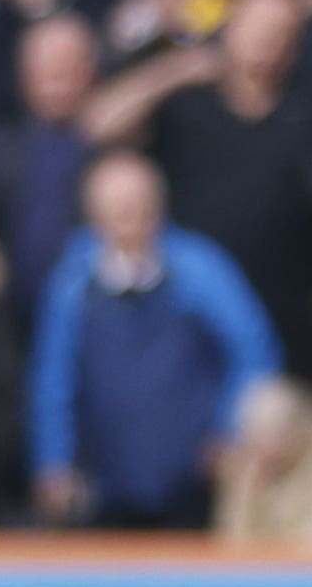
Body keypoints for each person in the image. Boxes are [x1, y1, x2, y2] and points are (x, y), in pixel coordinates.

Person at [31, 150, 281, 529]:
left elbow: (254, 350)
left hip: (194, 475)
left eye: (138, 205)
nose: (128, 218)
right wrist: (54, 461)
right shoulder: (72, 282)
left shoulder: (199, 266)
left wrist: (229, 428)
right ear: (94, 214)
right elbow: (53, 378)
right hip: (106, 476)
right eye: (115, 209)